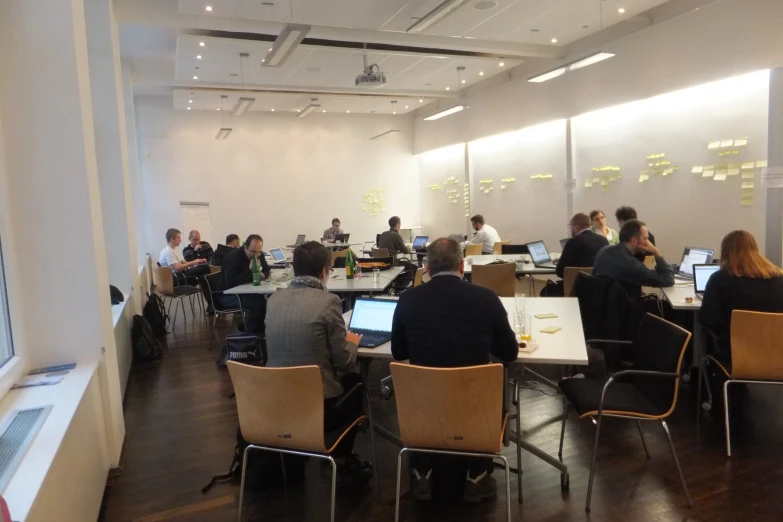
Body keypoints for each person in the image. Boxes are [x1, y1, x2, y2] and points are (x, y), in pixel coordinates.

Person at [391, 237, 518, 502]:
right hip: (474, 408)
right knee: (492, 384)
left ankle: (422, 473)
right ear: (462, 266)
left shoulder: (407, 300)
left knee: (425, 393)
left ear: (426, 268)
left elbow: (399, 353)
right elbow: (510, 353)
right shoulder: (486, 298)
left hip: (424, 406)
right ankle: (477, 476)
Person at [265, 241, 371, 486]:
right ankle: (342, 458)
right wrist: (352, 342)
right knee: (355, 382)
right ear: (324, 272)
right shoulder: (329, 302)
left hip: (276, 403)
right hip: (319, 409)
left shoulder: (273, 301)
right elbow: (344, 362)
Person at [699, 230, 783, 361]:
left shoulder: (719, 279)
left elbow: (706, 319)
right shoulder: (780, 279)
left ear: (726, 252)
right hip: (777, 356)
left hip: (735, 356)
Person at [593, 219, 674, 298]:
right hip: (625, 309)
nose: (648, 243)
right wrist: (655, 252)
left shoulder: (604, 250)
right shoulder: (630, 265)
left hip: (603, 305)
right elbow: (668, 280)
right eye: (645, 239)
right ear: (634, 241)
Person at [542, 213, 609, 296]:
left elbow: (560, 271)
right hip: (599, 288)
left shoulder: (572, 242)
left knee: (547, 290)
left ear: (576, 227)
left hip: (575, 289)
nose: (570, 230)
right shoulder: (604, 240)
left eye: (570, 226)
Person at [219, 234, 270, 335]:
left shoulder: (258, 253)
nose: (256, 255)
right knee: (258, 304)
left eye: (259, 252)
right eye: (253, 252)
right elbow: (231, 282)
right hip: (227, 295)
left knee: (268, 298)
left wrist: (263, 275)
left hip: (246, 290)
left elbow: (266, 269)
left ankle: (259, 330)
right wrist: (250, 271)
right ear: (245, 247)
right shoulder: (233, 257)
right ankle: (252, 334)